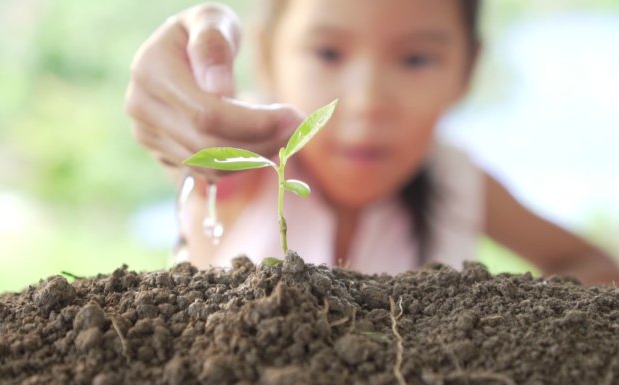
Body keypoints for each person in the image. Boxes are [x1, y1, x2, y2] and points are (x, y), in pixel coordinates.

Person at [125, 0, 619, 285]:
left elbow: (594, 266)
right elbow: (196, 147)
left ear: (466, 70)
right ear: (268, 56)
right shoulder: (251, 160)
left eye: (415, 59)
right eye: (327, 52)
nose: (367, 100)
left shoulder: (457, 182)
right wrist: (189, 105)